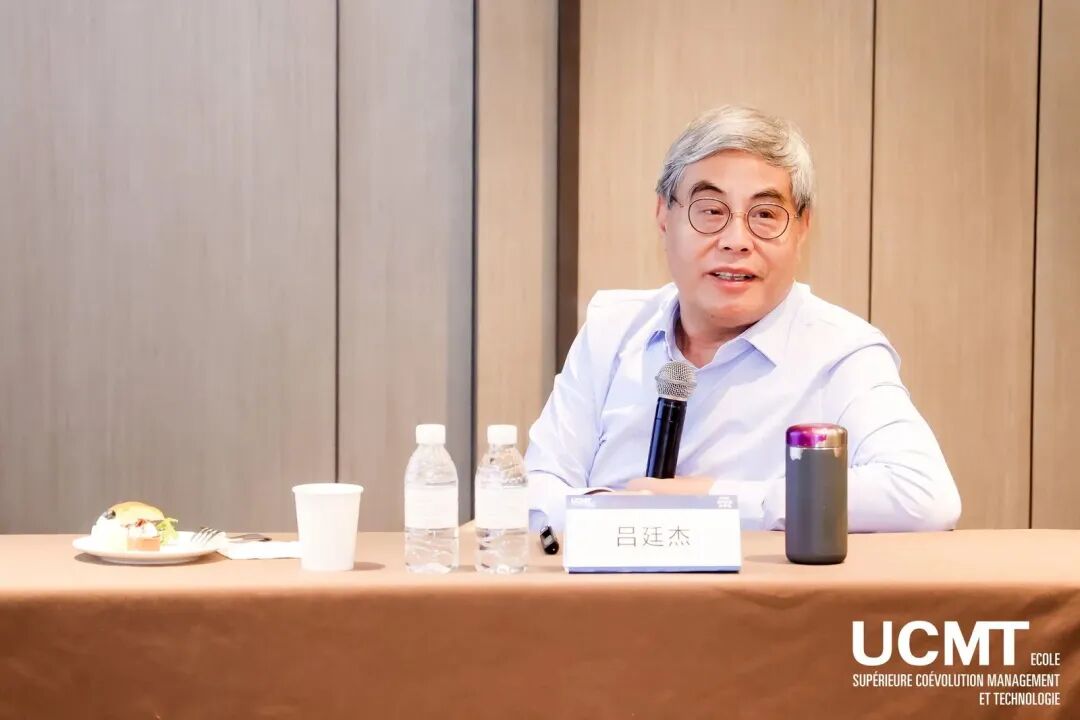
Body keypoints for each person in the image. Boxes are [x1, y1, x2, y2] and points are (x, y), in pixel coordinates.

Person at [526, 104, 961, 533]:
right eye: (711, 210)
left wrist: (716, 501)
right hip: (609, 579)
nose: (736, 241)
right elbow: (535, 491)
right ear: (663, 215)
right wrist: (620, 516)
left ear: (803, 228)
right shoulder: (613, 329)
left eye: (765, 215)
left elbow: (923, 496)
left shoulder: (841, 351)